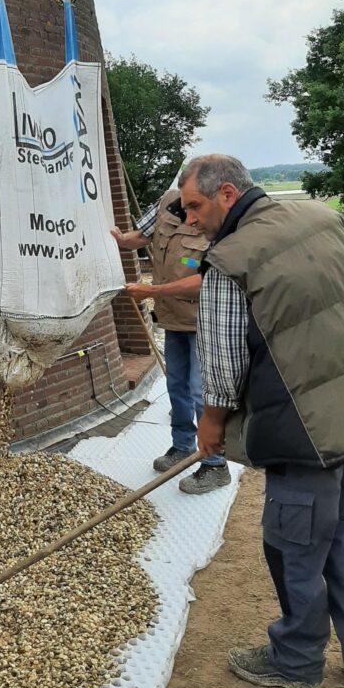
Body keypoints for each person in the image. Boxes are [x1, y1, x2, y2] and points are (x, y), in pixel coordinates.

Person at [179, 153, 344, 688]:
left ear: (226, 194)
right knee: (339, 529)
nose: (190, 220)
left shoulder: (229, 261)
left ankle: (296, 661)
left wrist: (211, 425)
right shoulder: (324, 218)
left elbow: (222, 367)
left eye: (194, 206)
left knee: (293, 545)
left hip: (307, 434)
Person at [112, 190, 230, 494]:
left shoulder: (220, 215)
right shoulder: (167, 202)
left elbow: (208, 277)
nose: (189, 215)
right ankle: (182, 446)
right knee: (176, 387)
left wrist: (152, 291)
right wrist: (121, 240)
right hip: (173, 318)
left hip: (204, 320)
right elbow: (141, 236)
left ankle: (215, 464)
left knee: (201, 392)